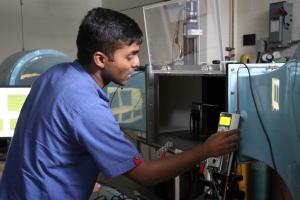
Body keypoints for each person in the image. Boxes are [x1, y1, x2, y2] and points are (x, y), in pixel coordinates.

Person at [0, 7, 239, 200]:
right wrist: (207, 150)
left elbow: (57, 141)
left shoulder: (56, 74)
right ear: (101, 59)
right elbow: (145, 176)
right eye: (130, 55)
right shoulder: (87, 106)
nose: (137, 63)